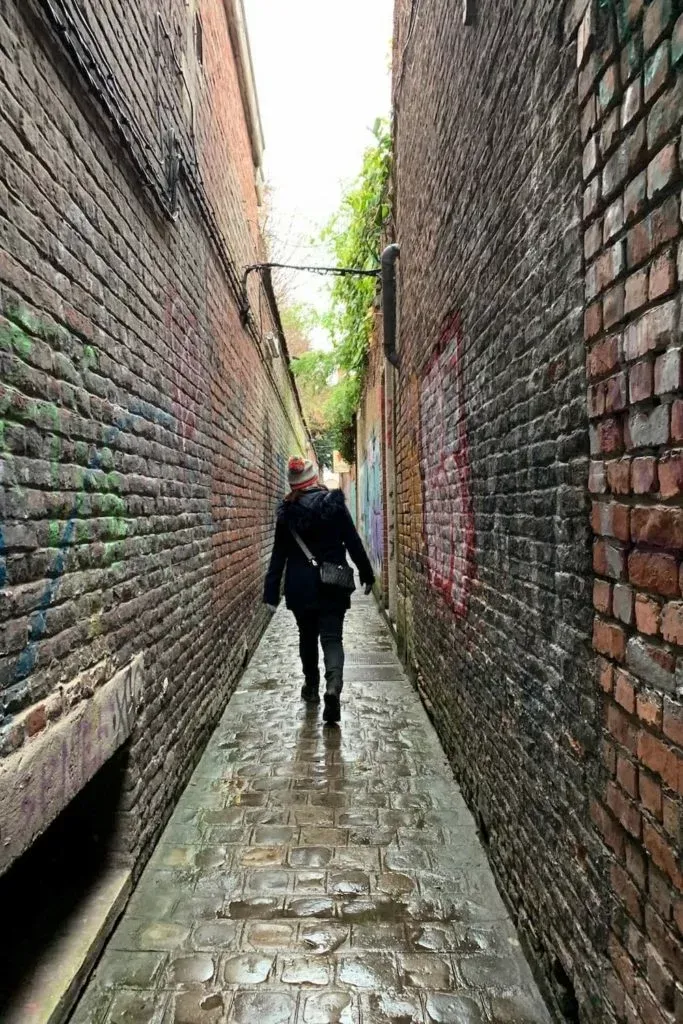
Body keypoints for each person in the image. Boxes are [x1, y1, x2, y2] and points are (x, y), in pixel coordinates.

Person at [263, 456, 375, 725]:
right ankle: (333, 686)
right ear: (315, 479)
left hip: (300, 587)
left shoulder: (286, 513)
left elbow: (278, 556)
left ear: (293, 484)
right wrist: (367, 574)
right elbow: (353, 541)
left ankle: (311, 687)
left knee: (307, 637)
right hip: (332, 584)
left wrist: (270, 593)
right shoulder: (334, 507)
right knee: (332, 638)